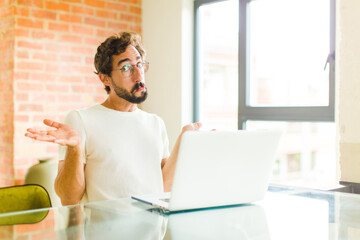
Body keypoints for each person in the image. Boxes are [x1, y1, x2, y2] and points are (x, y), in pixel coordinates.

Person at [25, 32, 201, 205]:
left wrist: (184, 140)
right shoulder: (80, 120)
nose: (138, 76)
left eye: (139, 65)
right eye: (126, 68)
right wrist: (75, 149)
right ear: (105, 78)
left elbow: (162, 187)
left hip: (152, 233)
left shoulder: (155, 123)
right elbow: (69, 198)